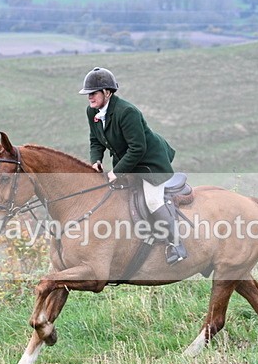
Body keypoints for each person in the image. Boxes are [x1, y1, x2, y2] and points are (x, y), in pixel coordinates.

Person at [79, 66, 188, 264]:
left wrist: (116, 172)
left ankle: (176, 244)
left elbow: (138, 148)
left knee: (153, 200)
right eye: (88, 94)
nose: (90, 98)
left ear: (107, 92)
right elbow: (95, 140)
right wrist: (95, 161)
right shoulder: (92, 111)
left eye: (93, 93)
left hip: (150, 163)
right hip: (128, 161)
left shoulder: (126, 111)